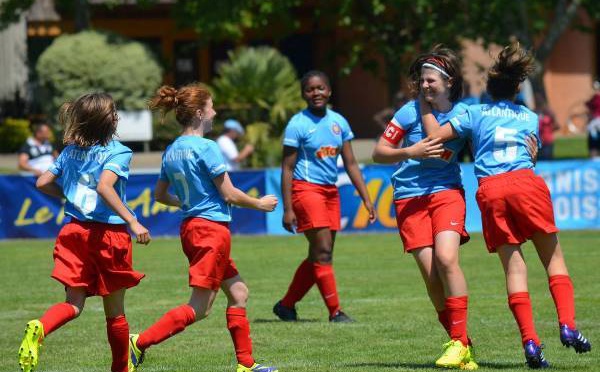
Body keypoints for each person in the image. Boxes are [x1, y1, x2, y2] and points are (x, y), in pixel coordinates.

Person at [419, 42, 592, 369]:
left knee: (514, 267)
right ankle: (567, 325)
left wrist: (425, 105)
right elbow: (532, 153)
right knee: (553, 260)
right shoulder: (529, 117)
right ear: (516, 88)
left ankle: (530, 341)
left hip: (491, 190)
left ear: (488, 87)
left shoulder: (475, 112)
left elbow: (435, 137)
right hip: (526, 183)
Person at [128, 84, 279, 372]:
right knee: (200, 307)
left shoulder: (171, 150)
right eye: (211, 107)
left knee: (238, 293)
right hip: (210, 231)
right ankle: (139, 341)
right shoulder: (207, 147)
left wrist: (188, 203)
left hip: (192, 228)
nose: (215, 112)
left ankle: (246, 364)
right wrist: (259, 203)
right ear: (199, 113)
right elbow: (230, 194)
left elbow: (160, 195)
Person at [18, 93, 150, 372]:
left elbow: (42, 182)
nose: (117, 116)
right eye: (114, 112)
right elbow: (105, 187)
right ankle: (120, 369)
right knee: (115, 313)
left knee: (73, 304)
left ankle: (41, 327)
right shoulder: (119, 152)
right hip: (108, 236)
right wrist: (133, 221)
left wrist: (68, 196)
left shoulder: (68, 151)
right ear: (108, 120)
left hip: (74, 232)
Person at [372, 46, 478, 370]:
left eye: (431, 80)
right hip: (409, 198)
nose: (426, 85)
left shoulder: (463, 113)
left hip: (446, 193)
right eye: (422, 81)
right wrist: (410, 152)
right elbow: (379, 152)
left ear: (449, 81)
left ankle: (458, 343)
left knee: (447, 259)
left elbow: (442, 140)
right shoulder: (406, 112)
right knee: (432, 277)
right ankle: (462, 345)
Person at [273, 70, 376, 323]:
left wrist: (366, 197)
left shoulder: (339, 122)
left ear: (329, 91)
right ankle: (335, 312)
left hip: (330, 192)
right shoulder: (298, 124)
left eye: (320, 88)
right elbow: (286, 167)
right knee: (323, 253)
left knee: (318, 254)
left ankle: (286, 306)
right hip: (306, 190)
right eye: (310, 89)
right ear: (303, 94)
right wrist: (288, 208)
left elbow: (351, 163)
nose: (316, 93)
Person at [535, 94, 560, 160]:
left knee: (548, 160)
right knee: (539, 161)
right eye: (536, 100)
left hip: (547, 141)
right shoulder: (535, 111)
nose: (538, 102)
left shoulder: (548, 112)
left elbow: (557, 126)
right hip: (538, 141)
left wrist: (548, 130)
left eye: (539, 100)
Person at [585, 81, 600, 158]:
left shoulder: (596, 98)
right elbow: (587, 104)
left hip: (596, 122)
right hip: (594, 122)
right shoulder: (594, 98)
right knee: (593, 142)